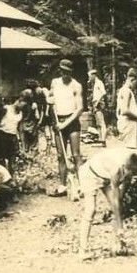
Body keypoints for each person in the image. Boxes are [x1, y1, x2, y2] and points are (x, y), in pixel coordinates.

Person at [77, 144, 137, 260]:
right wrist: (120, 227)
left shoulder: (132, 162)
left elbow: (119, 200)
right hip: (89, 174)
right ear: (126, 169)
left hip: (104, 177)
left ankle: (118, 244)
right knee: (91, 210)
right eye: (132, 174)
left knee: (117, 208)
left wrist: (119, 219)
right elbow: (116, 198)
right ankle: (82, 250)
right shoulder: (116, 168)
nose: (133, 177)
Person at [47, 59, 84, 200]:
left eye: (67, 72)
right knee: (60, 156)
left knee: (76, 155)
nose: (64, 74)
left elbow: (79, 109)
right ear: (60, 71)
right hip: (58, 120)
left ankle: (81, 186)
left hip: (72, 122)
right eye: (62, 71)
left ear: (70, 72)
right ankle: (62, 186)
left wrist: (65, 124)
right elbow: (50, 97)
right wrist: (49, 99)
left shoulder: (76, 85)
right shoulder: (55, 82)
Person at [115, 68, 137, 147]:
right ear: (132, 79)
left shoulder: (122, 90)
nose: (136, 86)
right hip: (128, 125)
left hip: (125, 123)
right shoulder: (127, 91)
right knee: (129, 151)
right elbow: (124, 110)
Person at [0, 93, 25, 173]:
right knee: (2, 159)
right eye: (22, 103)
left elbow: (20, 129)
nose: (23, 105)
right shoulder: (6, 109)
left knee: (13, 158)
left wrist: (22, 143)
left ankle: (12, 177)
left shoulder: (20, 113)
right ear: (17, 101)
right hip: (2, 135)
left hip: (12, 137)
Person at [88, 68, 109, 143]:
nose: (89, 78)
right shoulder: (94, 84)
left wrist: (97, 102)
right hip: (95, 104)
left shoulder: (99, 82)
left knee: (101, 122)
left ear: (93, 75)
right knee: (98, 123)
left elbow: (103, 93)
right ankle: (101, 139)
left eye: (90, 76)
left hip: (99, 104)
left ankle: (103, 139)